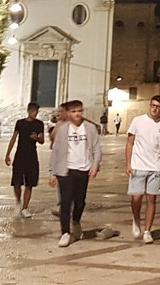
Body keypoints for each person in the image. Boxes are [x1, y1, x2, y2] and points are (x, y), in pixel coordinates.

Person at [48, 100, 101, 248]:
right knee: (65, 202)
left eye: (79, 111)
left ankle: (76, 221)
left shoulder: (89, 128)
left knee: (80, 201)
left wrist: (95, 165)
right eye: (74, 111)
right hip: (65, 170)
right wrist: (52, 173)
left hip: (83, 169)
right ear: (69, 113)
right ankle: (65, 232)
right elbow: (56, 151)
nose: (77, 114)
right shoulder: (63, 130)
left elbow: (97, 148)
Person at [126, 95, 160, 244]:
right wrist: (128, 163)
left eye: (158, 106)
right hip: (138, 165)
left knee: (152, 199)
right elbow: (130, 142)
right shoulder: (138, 121)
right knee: (136, 198)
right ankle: (136, 219)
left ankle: (147, 231)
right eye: (153, 105)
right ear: (149, 105)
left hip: (155, 166)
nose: (154, 108)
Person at [5, 102, 45, 218]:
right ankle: (18, 202)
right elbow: (14, 138)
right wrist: (8, 154)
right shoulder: (20, 123)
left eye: (36, 111)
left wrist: (37, 138)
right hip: (20, 155)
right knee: (16, 182)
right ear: (28, 111)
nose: (35, 113)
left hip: (32, 156)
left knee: (29, 183)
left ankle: (25, 208)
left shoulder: (39, 124)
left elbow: (42, 140)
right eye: (33, 111)